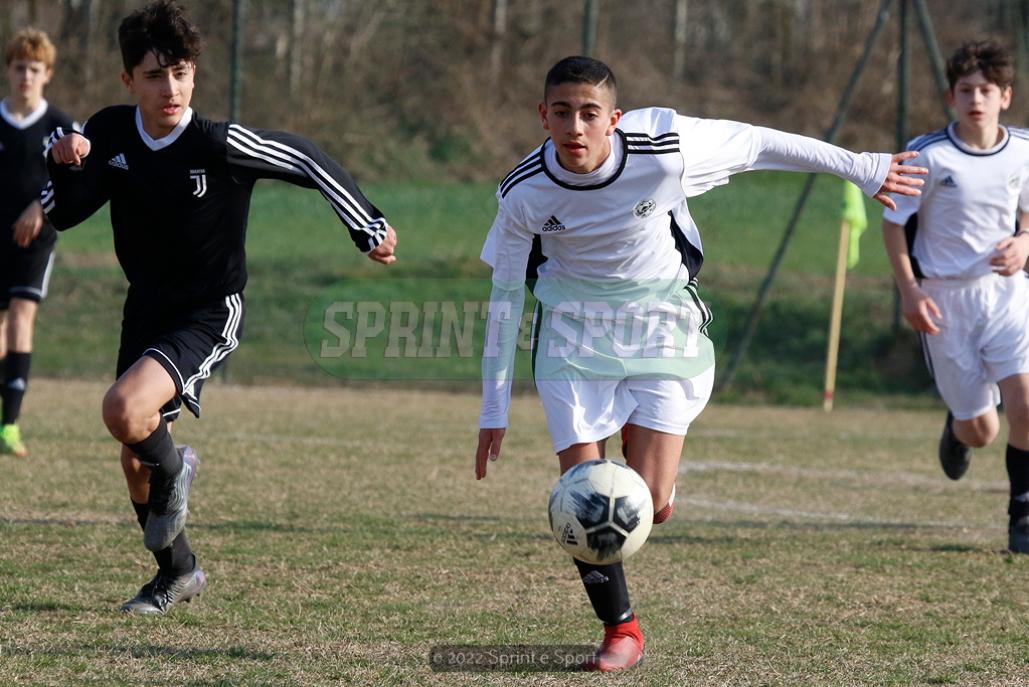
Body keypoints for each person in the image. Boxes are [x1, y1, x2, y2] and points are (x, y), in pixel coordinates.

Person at [474, 55, 925, 672]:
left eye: (589, 113)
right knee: (585, 498)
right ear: (543, 116)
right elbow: (504, 294)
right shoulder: (522, 190)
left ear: (614, 119)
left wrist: (861, 168)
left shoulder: (664, 148)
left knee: (651, 501)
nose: (575, 127)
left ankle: (649, 467)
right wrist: (493, 407)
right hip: (574, 335)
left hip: (662, 325)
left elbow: (759, 143)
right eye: (562, 112)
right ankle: (620, 630)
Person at [43, 0, 397, 615]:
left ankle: (176, 470)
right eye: (155, 76)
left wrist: (366, 225)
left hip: (208, 311)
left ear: (195, 75)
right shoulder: (112, 133)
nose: (170, 88)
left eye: (180, 73)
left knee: (124, 409)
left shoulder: (218, 143)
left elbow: (305, 157)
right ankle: (178, 572)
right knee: (134, 456)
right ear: (128, 81)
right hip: (146, 309)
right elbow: (65, 212)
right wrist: (60, 159)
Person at [881, 40, 1029, 553]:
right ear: (951, 97)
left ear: (1005, 96)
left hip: (1007, 295)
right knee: (982, 431)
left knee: (1026, 404)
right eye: (966, 90)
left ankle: (1022, 516)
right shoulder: (928, 154)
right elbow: (894, 226)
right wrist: (910, 291)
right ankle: (959, 427)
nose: (976, 100)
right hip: (945, 302)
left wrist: (1024, 241)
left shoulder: (1023, 149)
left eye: (986, 90)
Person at [0, 28, 76, 457]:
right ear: (8, 71)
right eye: (19, 68)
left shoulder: (61, 127)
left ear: (47, 73)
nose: (25, 76)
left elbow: (78, 184)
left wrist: (40, 207)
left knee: (20, 318)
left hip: (36, 240)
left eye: (34, 69)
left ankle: (10, 425)